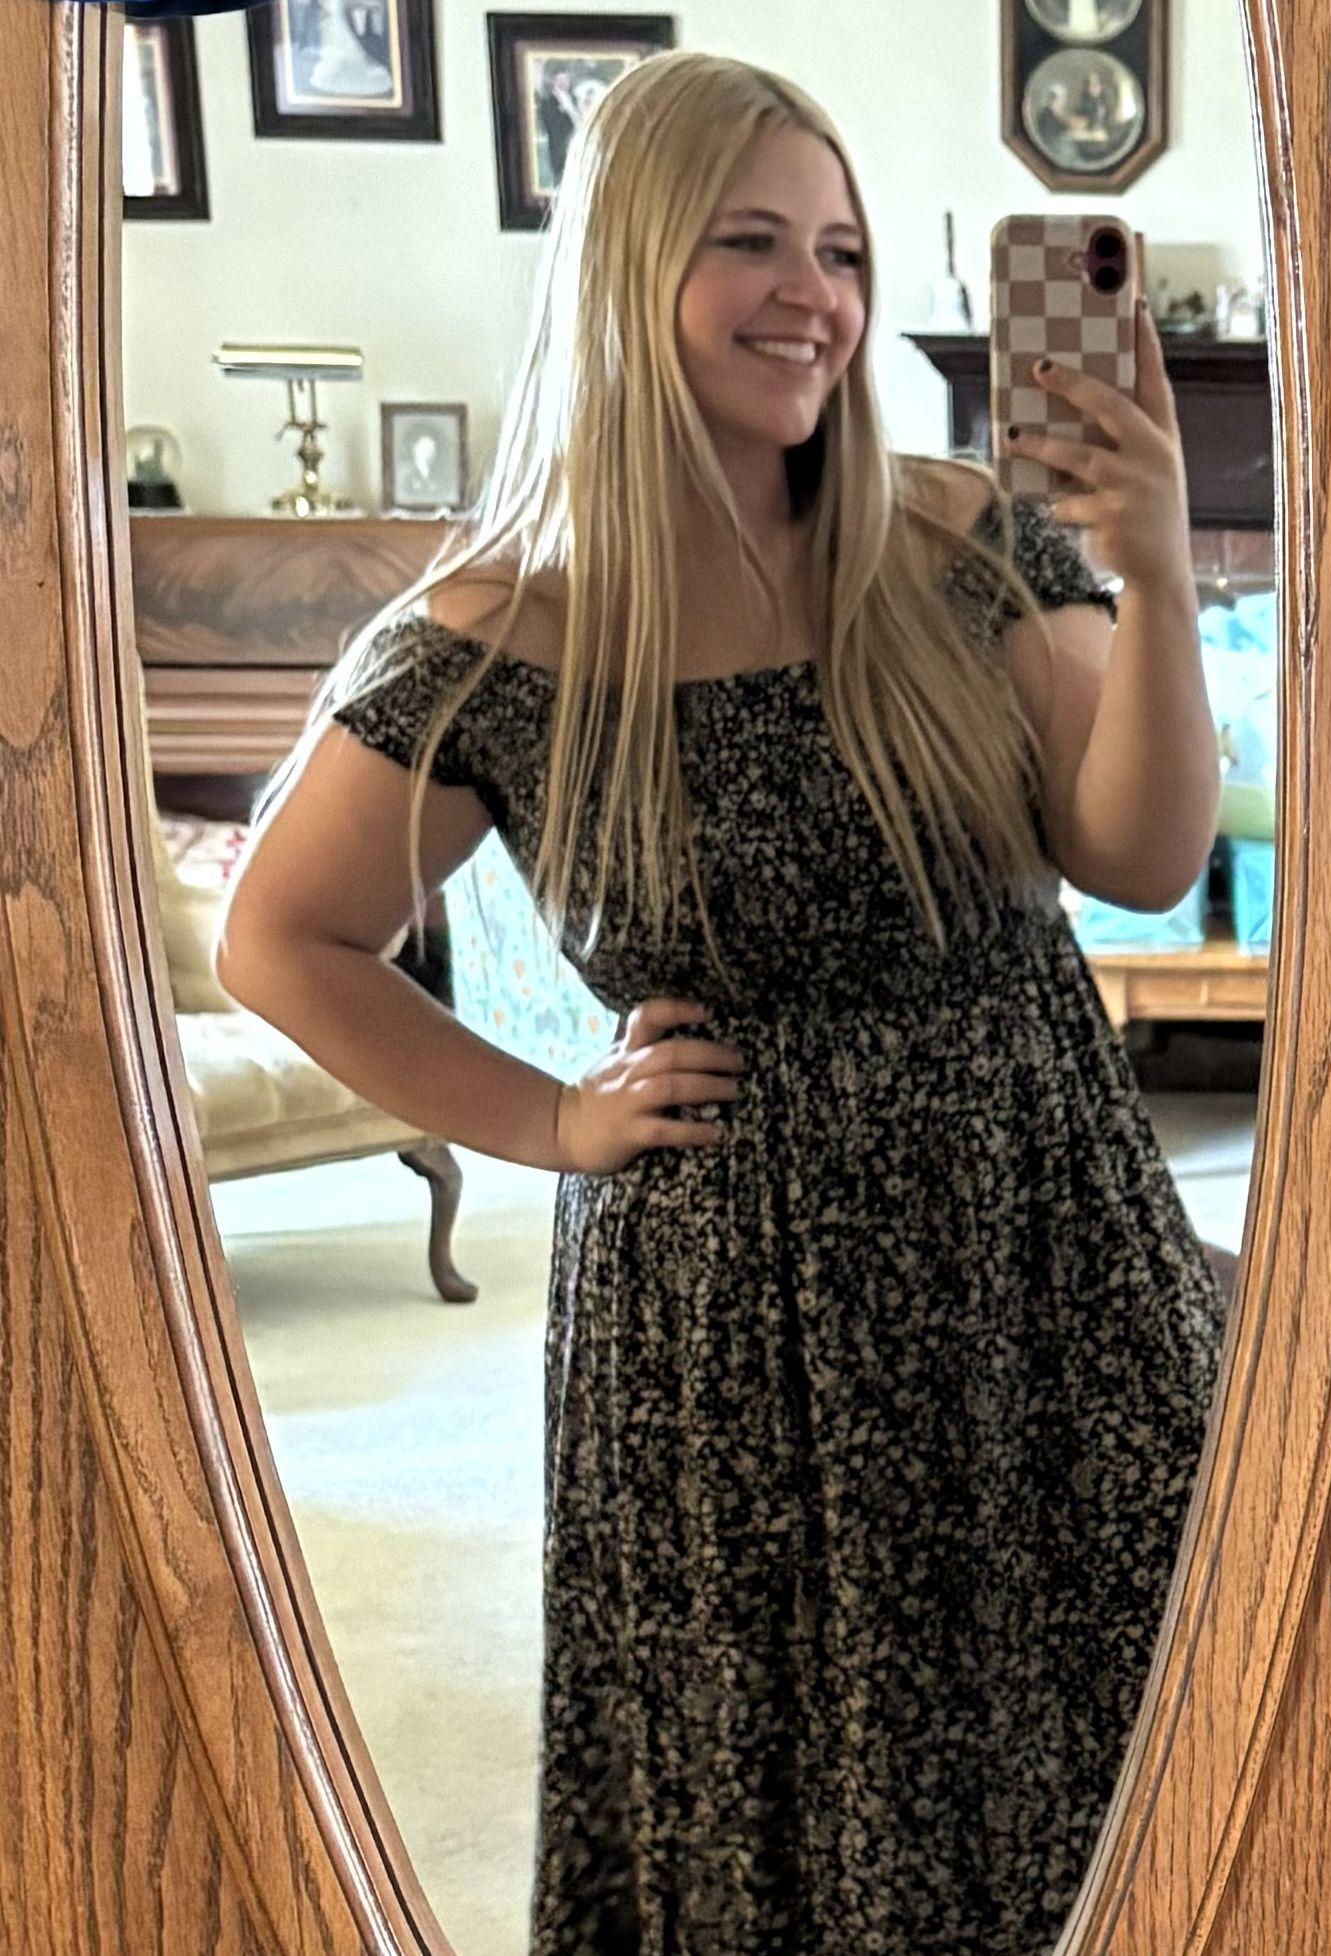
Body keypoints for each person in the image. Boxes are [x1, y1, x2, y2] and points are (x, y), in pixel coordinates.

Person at [215, 48, 1229, 1956]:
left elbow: (1139, 852)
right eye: (751, 241)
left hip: (1038, 1238)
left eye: (839, 251)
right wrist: (546, 1120)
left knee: (1114, 1756)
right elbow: (278, 937)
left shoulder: (952, 539)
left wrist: (1158, 578)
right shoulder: (507, 629)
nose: (813, 296)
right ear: (626, 262)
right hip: (727, 1312)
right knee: (769, 1796)